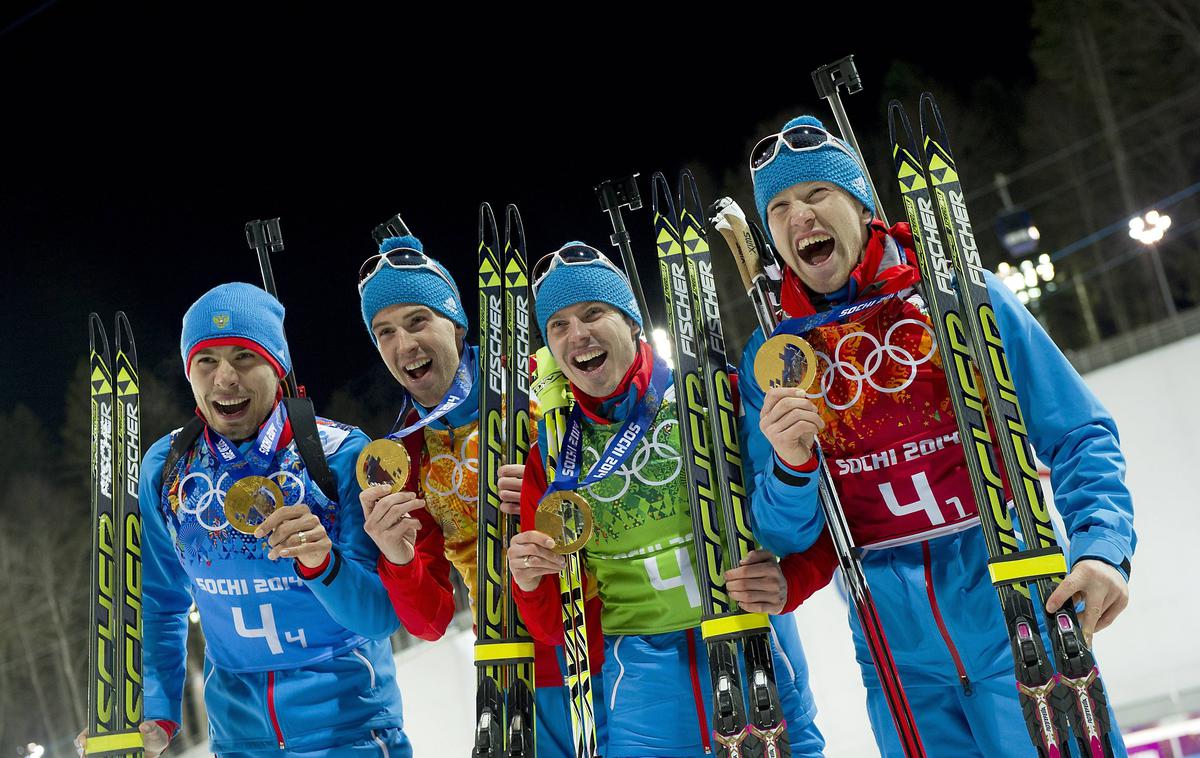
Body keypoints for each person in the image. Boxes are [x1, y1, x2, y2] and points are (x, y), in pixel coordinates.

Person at [739, 115, 1135, 756]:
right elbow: (785, 534)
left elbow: (1078, 432)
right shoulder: (773, 355)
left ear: (861, 204)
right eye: (779, 207)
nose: (799, 217)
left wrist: (1103, 546)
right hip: (895, 648)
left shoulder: (959, 298)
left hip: (1016, 601)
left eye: (817, 195)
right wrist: (789, 464)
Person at [508, 243, 831, 758]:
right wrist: (529, 583)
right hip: (641, 689)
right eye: (559, 326)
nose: (578, 334)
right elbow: (561, 629)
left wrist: (790, 579)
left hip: (751, 647)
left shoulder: (712, 399)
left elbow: (807, 535)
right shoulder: (549, 457)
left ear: (632, 321)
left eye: (593, 313)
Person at [80, 282, 410, 757]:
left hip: (350, 730)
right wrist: (152, 713)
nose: (225, 378)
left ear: (277, 367)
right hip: (238, 739)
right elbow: (157, 604)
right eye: (206, 361)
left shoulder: (338, 456)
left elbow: (379, 617)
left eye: (245, 357)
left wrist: (323, 564)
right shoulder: (167, 469)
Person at [355, 234, 605, 755]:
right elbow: (430, 620)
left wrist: (550, 484)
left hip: (609, 633)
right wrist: (397, 557)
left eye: (418, 321)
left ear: (457, 323)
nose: (404, 345)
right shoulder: (405, 452)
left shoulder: (545, 381)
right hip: (515, 667)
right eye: (385, 333)